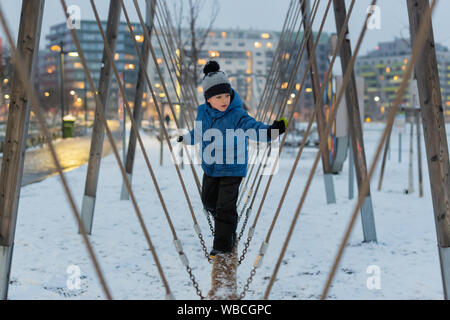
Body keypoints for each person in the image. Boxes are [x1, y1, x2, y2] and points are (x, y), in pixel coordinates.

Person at [177, 60, 287, 258]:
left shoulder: (237, 114)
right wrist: (186, 138)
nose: (224, 100)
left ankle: (222, 246)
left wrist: (271, 132)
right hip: (211, 166)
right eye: (218, 96)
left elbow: (254, 128)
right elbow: (199, 133)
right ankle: (227, 226)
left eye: (227, 95)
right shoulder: (203, 113)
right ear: (208, 99)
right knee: (208, 201)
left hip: (233, 168)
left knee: (225, 207)